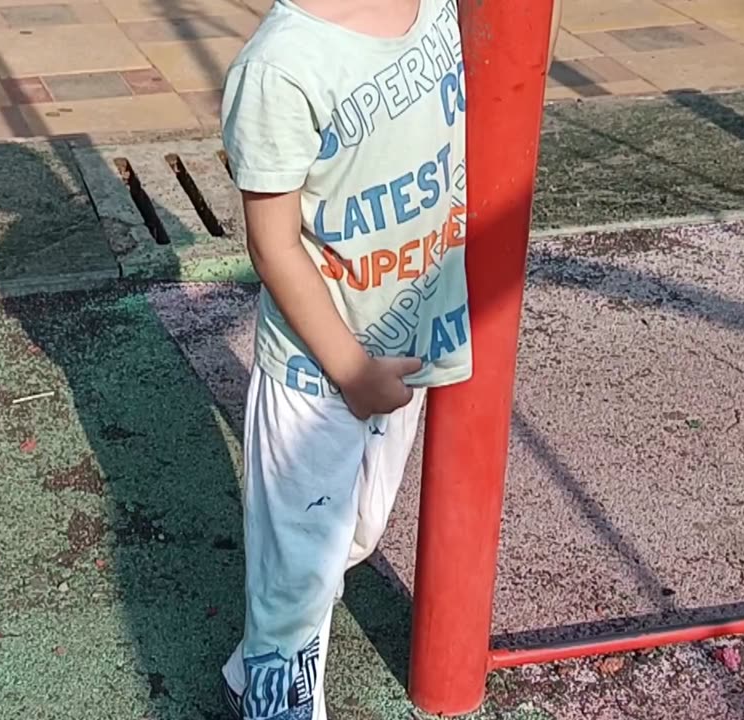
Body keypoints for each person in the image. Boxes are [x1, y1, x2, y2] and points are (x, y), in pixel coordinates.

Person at [217, 0, 560, 717]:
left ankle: (261, 654)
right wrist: (349, 370)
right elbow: (272, 243)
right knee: (300, 576)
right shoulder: (280, 67)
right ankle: (278, 676)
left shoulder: (434, 6)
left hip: (403, 350)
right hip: (318, 374)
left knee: (360, 530)